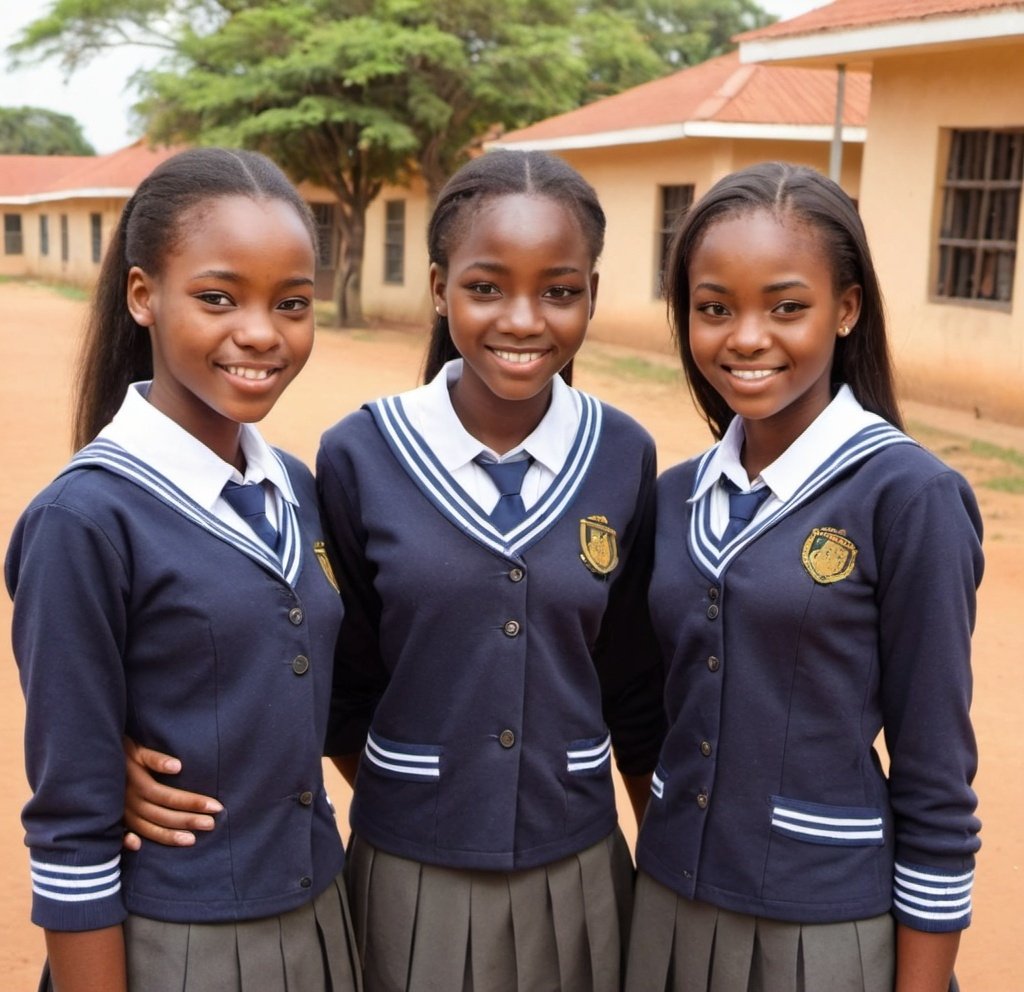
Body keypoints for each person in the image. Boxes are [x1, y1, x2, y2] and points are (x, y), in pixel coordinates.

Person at [120, 148, 666, 991]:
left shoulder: (624, 453)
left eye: (560, 290)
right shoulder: (359, 455)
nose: (523, 319)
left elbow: (631, 678)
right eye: (485, 288)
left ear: (592, 292)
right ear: (440, 288)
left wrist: (660, 839)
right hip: (410, 869)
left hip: (581, 866)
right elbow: (313, 657)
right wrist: (117, 747)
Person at [5, 147, 361, 992]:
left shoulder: (297, 490)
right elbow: (70, 822)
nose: (261, 333)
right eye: (217, 298)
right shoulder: (83, 519)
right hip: (178, 946)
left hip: (318, 920)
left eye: (293, 303)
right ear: (142, 296)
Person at [624, 161, 983, 992]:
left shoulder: (909, 497)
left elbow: (936, 780)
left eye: (787, 307)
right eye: (714, 309)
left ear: (847, 308)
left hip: (823, 936)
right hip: (668, 915)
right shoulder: (675, 496)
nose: (746, 337)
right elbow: (646, 712)